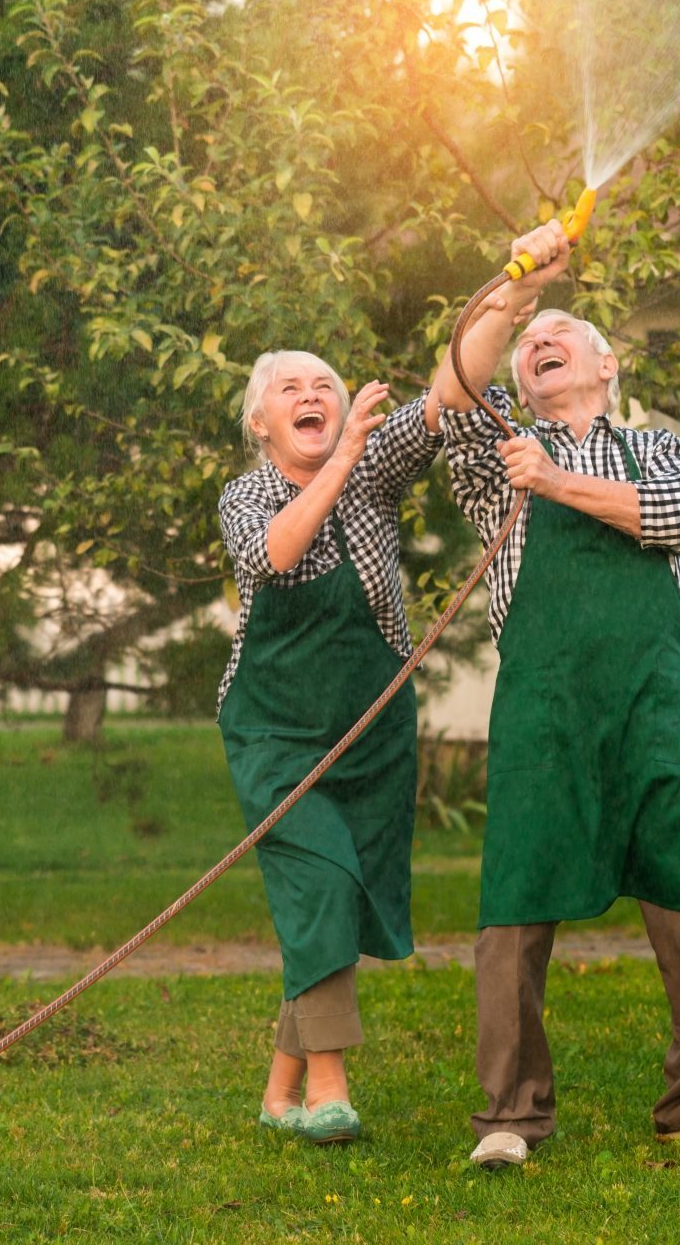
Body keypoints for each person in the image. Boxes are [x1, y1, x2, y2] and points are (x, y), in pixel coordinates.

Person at [431, 221, 680, 1169]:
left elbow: (672, 518)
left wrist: (559, 480)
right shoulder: (502, 452)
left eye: (561, 338)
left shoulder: (657, 451)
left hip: (660, 706)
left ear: (606, 365)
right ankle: (510, 1115)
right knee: (515, 908)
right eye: (535, 348)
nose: (542, 351)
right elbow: (454, 385)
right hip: (545, 711)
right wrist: (520, 289)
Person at [217, 349, 443, 1144]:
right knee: (321, 884)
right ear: (261, 420)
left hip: (371, 734)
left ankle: (280, 1091)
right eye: (292, 389)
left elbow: (450, 389)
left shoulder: (375, 470)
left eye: (327, 389)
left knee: (334, 902)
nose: (312, 397)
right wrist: (342, 455)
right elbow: (274, 554)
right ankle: (329, 1090)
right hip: (275, 732)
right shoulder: (245, 494)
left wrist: (509, 300)